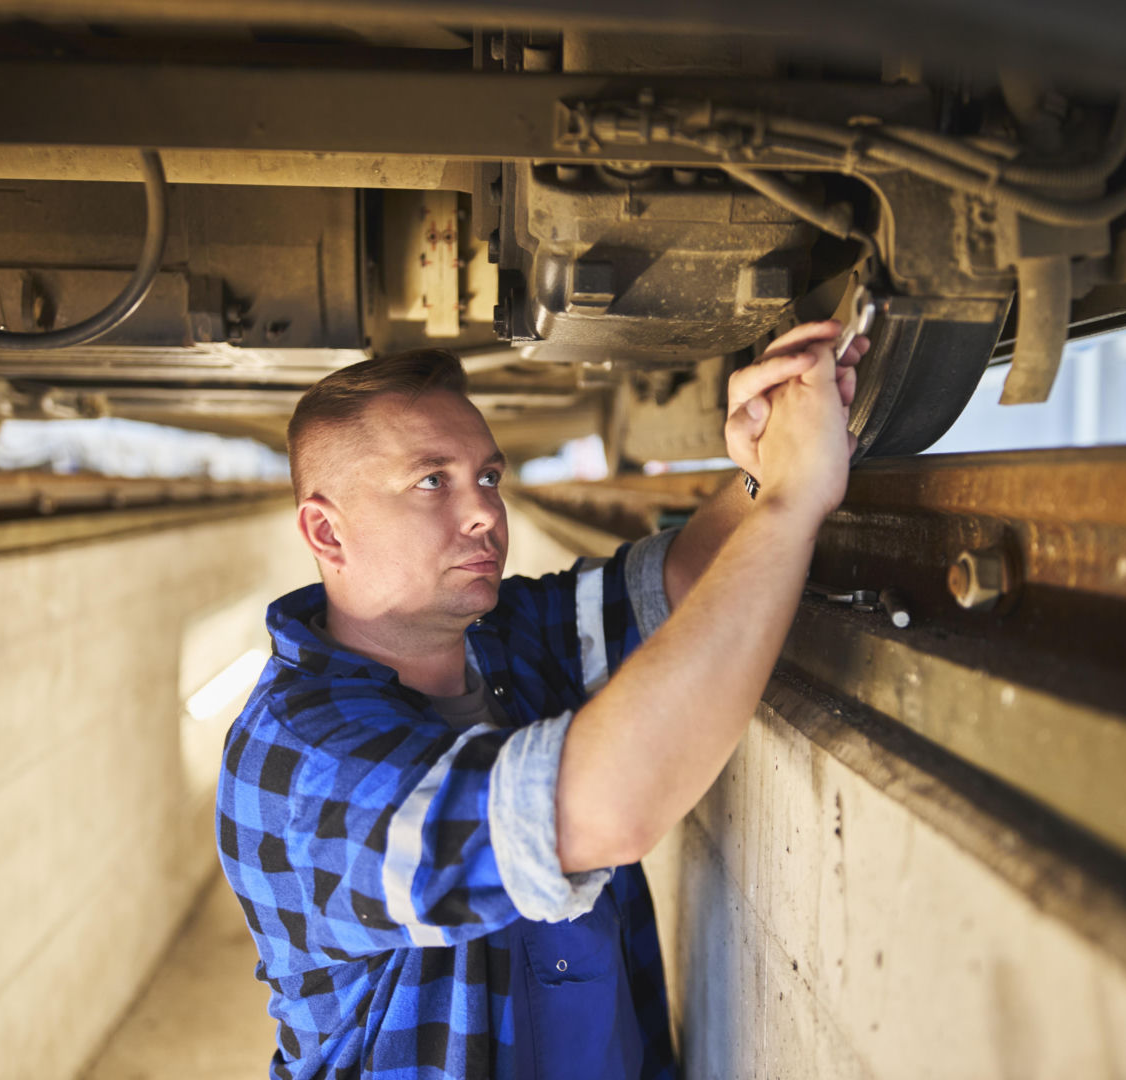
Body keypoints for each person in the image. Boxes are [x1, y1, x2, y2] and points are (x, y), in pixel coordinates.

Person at [216, 320, 866, 1080]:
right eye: (433, 481)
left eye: (487, 477)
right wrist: (795, 502)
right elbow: (596, 815)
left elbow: (677, 587)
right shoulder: (299, 763)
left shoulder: (500, 638)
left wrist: (758, 472)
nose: (485, 513)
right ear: (326, 532)